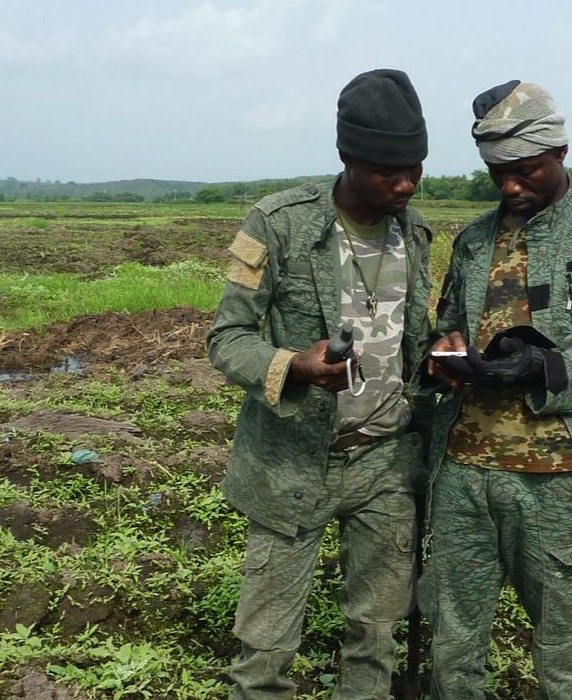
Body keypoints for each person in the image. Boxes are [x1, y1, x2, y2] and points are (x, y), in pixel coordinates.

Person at [206, 68, 435, 699]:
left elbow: (413, 341)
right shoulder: (277, 225)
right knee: (266, 647)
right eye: (389, 170)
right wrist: (294, 367)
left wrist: (443, 353)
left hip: (387, 464)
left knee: (375, 636)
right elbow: (226, 339)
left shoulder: (415, 233)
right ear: (346, 157)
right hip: (291, 467)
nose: (405, 182)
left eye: (415, 167)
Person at [420, 80, 572, 698]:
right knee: (453, 637)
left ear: (562, 153)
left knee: (560, 646)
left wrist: (542, 370)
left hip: (553, 480)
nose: (510, 188)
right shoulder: (473, 241)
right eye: (497, 174)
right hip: (462, 474)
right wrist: (443, 357)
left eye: (525, 172)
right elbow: (445, 329)